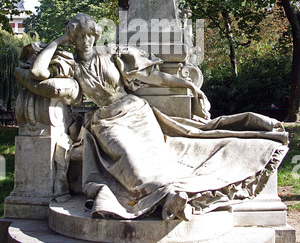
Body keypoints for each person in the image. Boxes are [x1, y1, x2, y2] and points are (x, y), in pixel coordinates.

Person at [26, 13, 288, 222]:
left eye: (90, 35)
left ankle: (176, 192)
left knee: (160, 156)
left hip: (136, 112)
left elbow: (154, 77)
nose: (86, 41)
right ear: (74, 37)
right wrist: (60, 40)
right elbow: (38, 72)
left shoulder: (112, 53)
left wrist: (188, 87)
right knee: (129, 158)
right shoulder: (71, 64)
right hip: (105, 121)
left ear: (95, 35)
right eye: (80, 36)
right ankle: (167, 195)